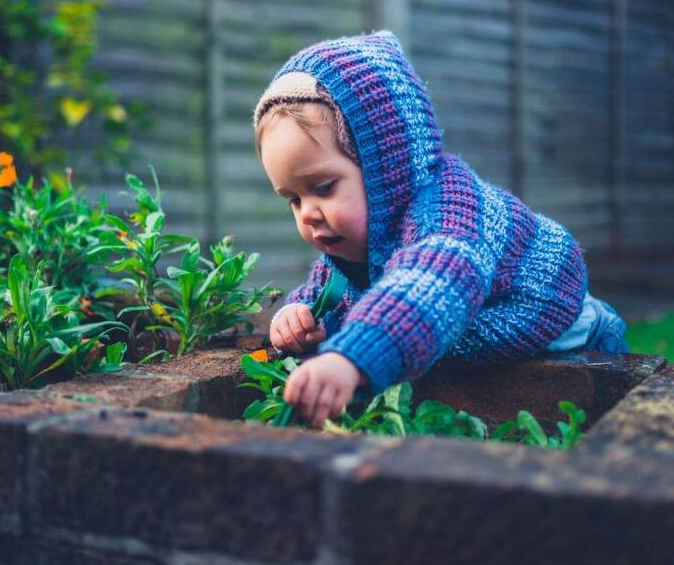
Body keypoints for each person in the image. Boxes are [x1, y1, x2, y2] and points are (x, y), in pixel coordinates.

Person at [252, 31, 627, 429]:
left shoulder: (449, 212)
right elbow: (330, 291)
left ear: (386, 168)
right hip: (472, 341)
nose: (308, 213)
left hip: (565, 330)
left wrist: (350, 359)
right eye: (293, 199)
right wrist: (297, 317)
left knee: (591, 432)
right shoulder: (347, 248)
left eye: (323, 188)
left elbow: (430, 284)